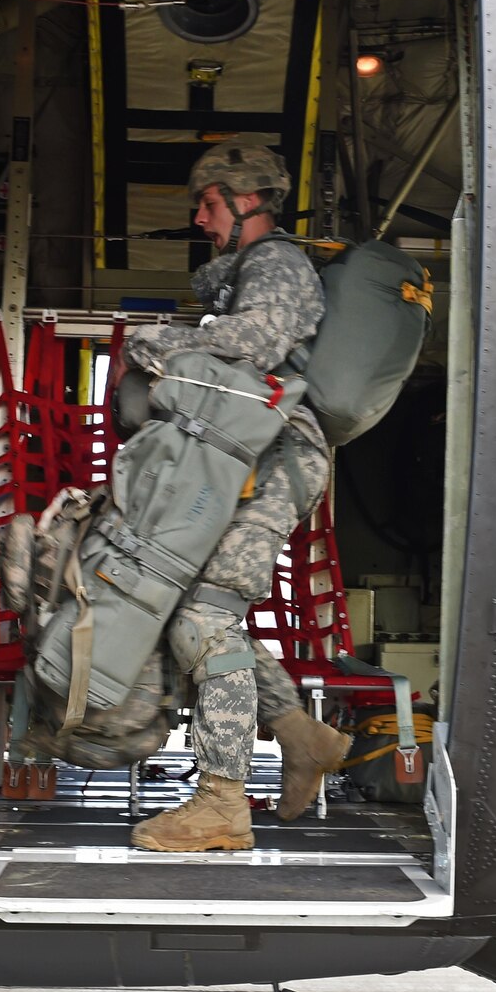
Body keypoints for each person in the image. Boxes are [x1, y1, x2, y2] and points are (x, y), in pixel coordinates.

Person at [120, 143, 351, 851]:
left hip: (275, 452)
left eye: (210, 203)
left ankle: (223, 801)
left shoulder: (276, 263)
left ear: (249, 201)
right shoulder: (246, 271)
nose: (199, 216)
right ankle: (299, 733)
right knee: (197, 604)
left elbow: (258, 339)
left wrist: (157, 342)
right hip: (247, 453)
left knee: (205, 611)